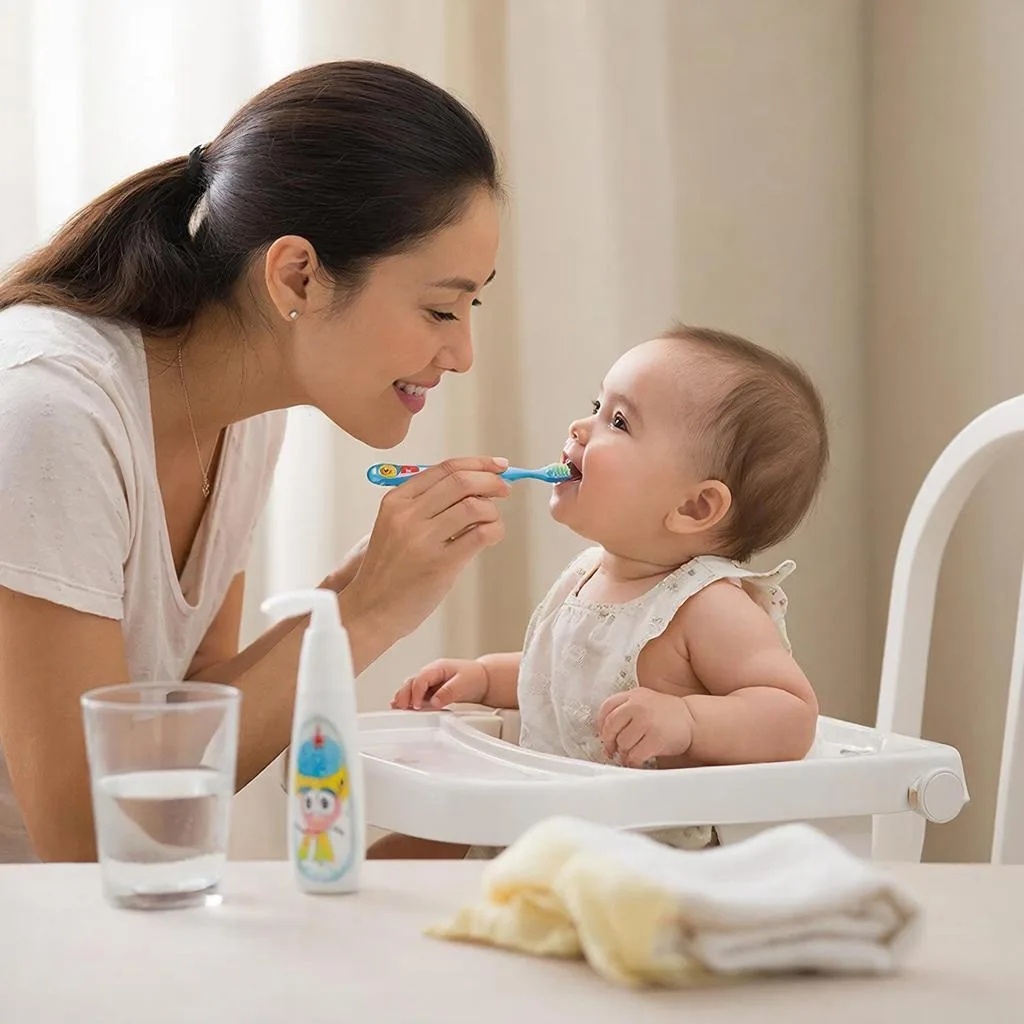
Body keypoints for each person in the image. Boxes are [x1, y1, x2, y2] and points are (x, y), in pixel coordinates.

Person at [0, 60, 509, 863]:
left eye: (471, 305)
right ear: (297, 275)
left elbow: (188, 727)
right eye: (441, 309)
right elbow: (86, 836)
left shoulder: (246, 418)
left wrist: (344, 601)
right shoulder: (50, 408)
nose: (463, 353)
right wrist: (367, 611)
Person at [384, 325, 828, 858]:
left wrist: (687, 722)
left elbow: (791, 714)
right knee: (391, 857)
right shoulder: (589, 572)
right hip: (543, 828)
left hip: (643, 859)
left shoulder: (708, 604)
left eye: (618, 421)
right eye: (597, 406)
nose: (580, 426)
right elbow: (567, 679)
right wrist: (482, 677)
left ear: (694, 507)